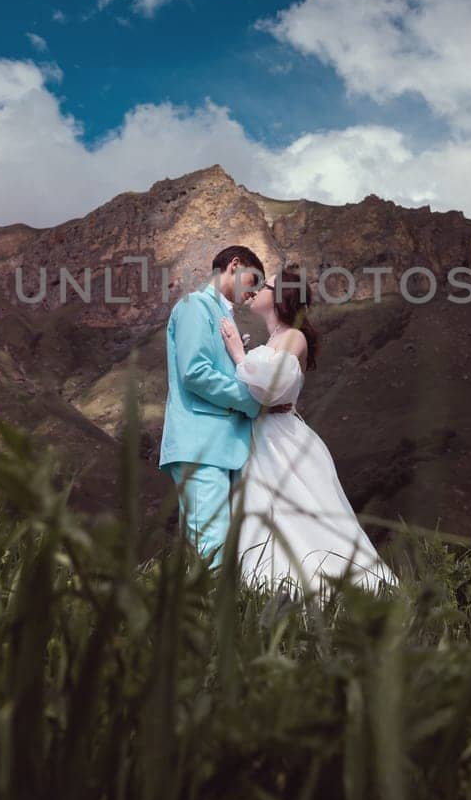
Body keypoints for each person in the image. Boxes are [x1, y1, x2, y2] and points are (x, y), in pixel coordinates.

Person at [219, 264, 396, 594]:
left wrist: (240, 356)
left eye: (266, 286)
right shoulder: (273, 339)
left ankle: (327, 590)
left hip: (281, 439)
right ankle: (268, 592)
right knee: (264, 518)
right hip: (261, 438)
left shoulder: (294, 337)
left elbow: (272, 383)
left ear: (281, 297)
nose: (256, 290)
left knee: (302, 517)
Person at [161, 244, 290, 566]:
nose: (254, 293)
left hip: (224, 445)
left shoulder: (222, 316)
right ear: (235, 265)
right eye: (253, 282)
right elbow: (195, 372)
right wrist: (252, 402)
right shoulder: (195, 306)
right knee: (211, 546)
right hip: (200, 442)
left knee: (227, 547)